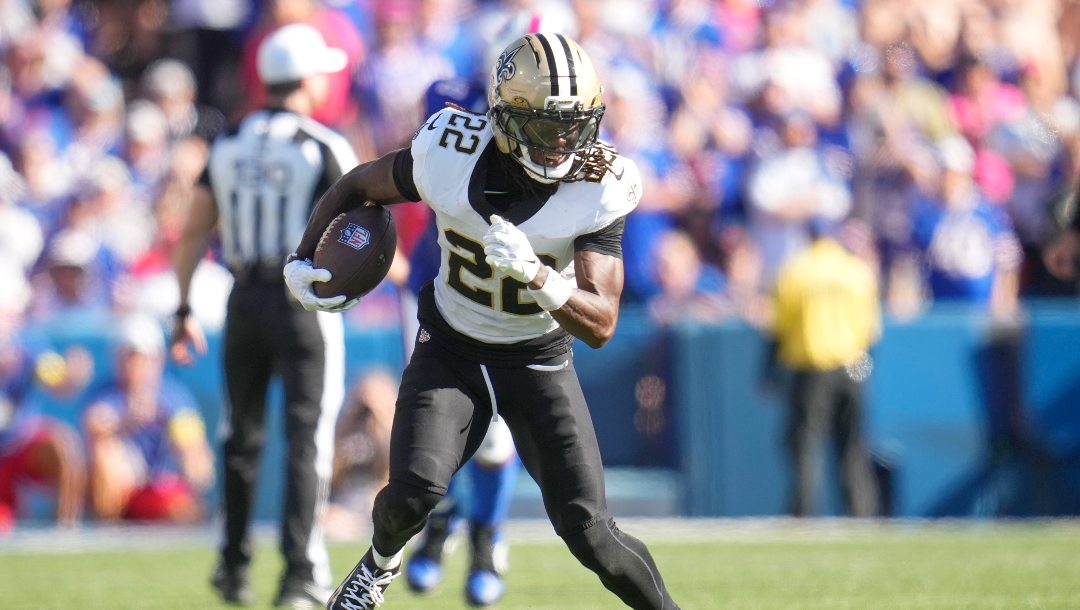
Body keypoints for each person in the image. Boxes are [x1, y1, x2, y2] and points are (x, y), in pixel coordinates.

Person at [284, 33, 681, 610]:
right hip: (452, 348)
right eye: (547, 126)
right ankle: (378, 567)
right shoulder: (450, 151)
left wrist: (540, 277)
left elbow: (600, 322)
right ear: (505, 119)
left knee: (591, 532)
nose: (563, 142)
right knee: (411, 495)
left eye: (575, 124)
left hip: (537, 358)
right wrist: (303, 256)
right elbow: (357, 184)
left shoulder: (601, 183)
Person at [169, 24, 357, 609]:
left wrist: (182, 306)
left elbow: (194, 226)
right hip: (304, 304)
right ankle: (300, 576)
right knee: (308, 440)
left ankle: (232, 564)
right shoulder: (322, 144)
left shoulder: (226, 143)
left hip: (243, 298)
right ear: (305, 78)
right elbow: (363, 230)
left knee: (239, 437)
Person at [397, 64, 521, 609]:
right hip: (439, 283)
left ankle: (486, 538)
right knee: (436, 423)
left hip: (511, 292)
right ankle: (442, 521)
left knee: (493, 432)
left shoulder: (571, 129)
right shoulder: (451, 100)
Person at [763, 218, 882, 518]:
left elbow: (780, 325)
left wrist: (770, 369)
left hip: (812, 370)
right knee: (852, 447)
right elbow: (870, 330)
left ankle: (803, 515)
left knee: (805, 446)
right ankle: (860, 515)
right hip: (852, 368)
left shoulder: (796, 270)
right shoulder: (856, 271)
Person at [83, 314, 214, 523]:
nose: (136, 364)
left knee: (191, 450)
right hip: (121, 490)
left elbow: (202, 469)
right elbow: (95, 426)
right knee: (105, 449)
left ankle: (181, 510)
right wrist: (127, 422)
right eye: (129, 356)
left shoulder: (174, 396)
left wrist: (178, 438)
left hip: (157, 485)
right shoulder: (106, 393)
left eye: (142, 357)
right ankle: (112, 521)